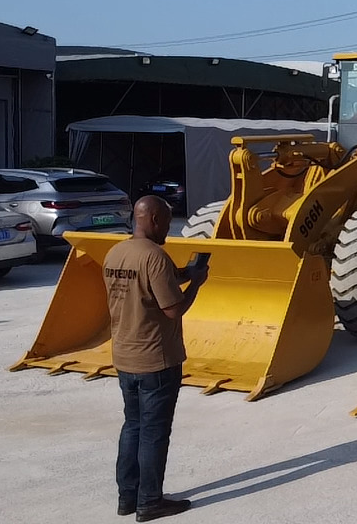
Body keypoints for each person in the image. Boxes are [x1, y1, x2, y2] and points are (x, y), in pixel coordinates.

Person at [103, 196, 209, 521]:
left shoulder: (115, 253)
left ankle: (127, 497)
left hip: (124, 356)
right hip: (156, 360)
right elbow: (172, 308)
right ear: (152, 219)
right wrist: (197, 284)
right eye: (164, 221)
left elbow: (143, 284)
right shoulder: (155, 257)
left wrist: (183, 272)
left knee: (132, 426)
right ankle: (150, 502)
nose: (166, 228)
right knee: (154, 432)